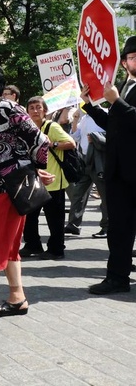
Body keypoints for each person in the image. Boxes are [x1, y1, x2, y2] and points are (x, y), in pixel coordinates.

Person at [0, 60, 52, 323]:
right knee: (10, 244)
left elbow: (40, 140)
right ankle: (17, 296)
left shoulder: (7, 108)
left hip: (7, 188)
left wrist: (35, 170)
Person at [83, 36, 136, 295]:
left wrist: (116, 102)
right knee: (118, 228)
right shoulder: (124, 87)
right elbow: (115, 125)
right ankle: (117, 278)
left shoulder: (120, 94)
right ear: (124, 62)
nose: (134, 61)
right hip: (118, 171)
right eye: (132, 57)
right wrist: (89, 106)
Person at [20, 97, 75, 260]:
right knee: (29, 216)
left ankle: (56, 249)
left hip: (53, 179)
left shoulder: (52, 126)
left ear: (45, 110)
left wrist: (53, 145)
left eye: (38, 107)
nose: (35, 111)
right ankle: (33, 245)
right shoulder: (27, 128)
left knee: (54, 219)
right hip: (33, 179)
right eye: (31, 108)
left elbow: (71, 143)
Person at [65, 108, 108, 238]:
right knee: (78, 194)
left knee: (105, 195)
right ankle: (73, 225)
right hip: (85, 160)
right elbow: (75, 137)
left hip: (98, 161)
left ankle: (107, 227)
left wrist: (95, 137)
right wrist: (75, 120)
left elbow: (111, 136)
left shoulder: (105, 114)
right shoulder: (84, 119)